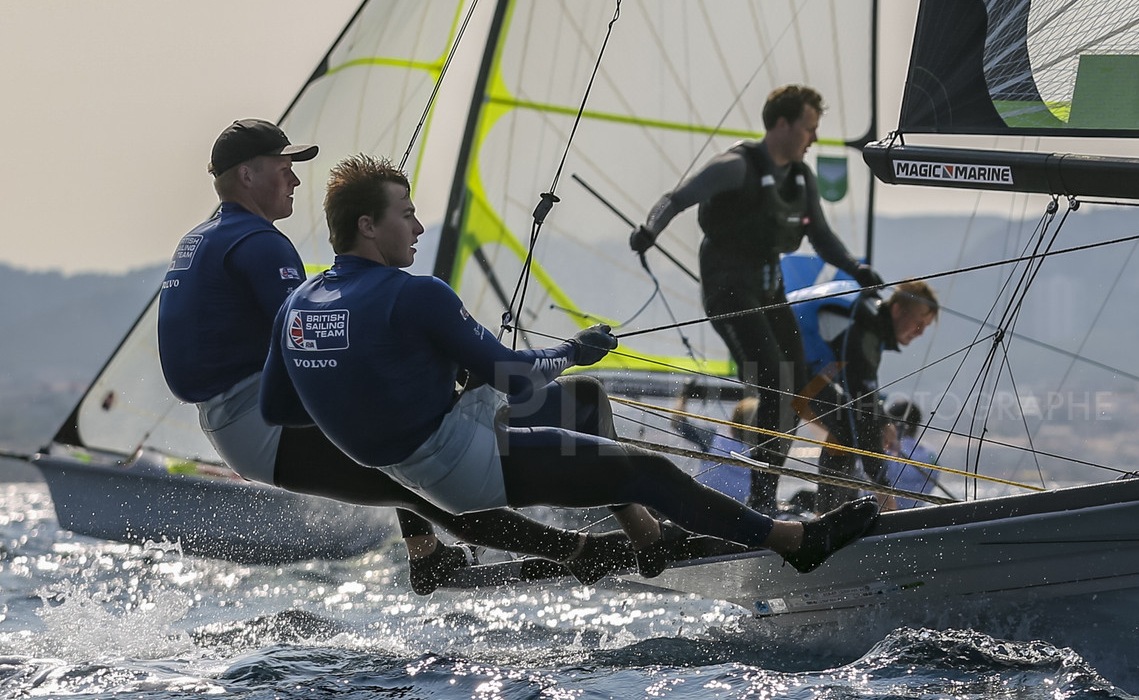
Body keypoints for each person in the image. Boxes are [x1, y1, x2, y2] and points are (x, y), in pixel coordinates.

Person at [261, 154, 879, 575]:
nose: (419, 225)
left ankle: (649, 541)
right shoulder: (413, 294)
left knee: (585, 404)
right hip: (460, 461)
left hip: (422, 455)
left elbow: (280, 408)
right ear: (368, 225)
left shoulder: (298, 304)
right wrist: (574, 350)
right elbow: (517, 376)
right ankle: (795, 542)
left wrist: (392, 398)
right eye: (406, 213)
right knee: (645, 469)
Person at [156, 119, 630, 594]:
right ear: (246, 175)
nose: (296, 180)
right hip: (263, 426)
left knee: (405, 433)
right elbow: (305, 338)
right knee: (416, 478)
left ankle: (429, 554)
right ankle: (583, 552)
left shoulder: (203, 237)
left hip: (238, 421)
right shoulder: (259, 243)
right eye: (285, 168)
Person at [630, 85, 883, 513]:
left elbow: (820, 236)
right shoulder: (735, 167)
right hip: (729, 295)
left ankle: (834, 503)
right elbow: (677, 198)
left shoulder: (801, 180)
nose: (814, 138)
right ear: (782, 124)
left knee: (816, 391)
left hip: (770, 293)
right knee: (777, 383)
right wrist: (649, 231)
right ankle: (761, 501)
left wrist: (857, 269)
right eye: (809, 128)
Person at [792, 281, 939, 511]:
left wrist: (883, 419)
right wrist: (883, 488)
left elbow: (861, 391)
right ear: (897, 309)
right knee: (846, 428)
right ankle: (827, 516)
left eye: (926, 326)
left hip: (802, 364)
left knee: (848, 427)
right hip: (776, 355)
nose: (920, 332)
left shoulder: (870, 324)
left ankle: (836, 510)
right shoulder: (865, 330)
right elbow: (863, 406)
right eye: (918, 322)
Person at [672, 394, 761, 504]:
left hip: (696, 509)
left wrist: (684, 394)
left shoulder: (713, 440)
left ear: (733, 424)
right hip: (734, 516)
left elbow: (677, 423)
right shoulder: (762, 457)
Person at [880, 393, 941, 509]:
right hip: (915, 517)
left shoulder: (883, 452)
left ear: (891, 424)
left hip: (882, 517)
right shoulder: (932, 456)